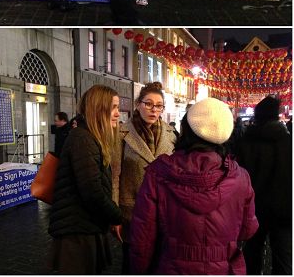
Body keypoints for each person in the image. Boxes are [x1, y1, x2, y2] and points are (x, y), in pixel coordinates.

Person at [129, 97, 259, 275]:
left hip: (171, 267)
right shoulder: (240, 177)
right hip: (223, 268)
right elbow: (248, 229)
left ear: (186, 129)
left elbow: (143, 237)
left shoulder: (158, 173)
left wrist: (139, 269)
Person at [48, 85, 123, 274]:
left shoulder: (90, 137)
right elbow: (92, 192)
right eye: (113, 107)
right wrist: (118, 216)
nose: (117, 114)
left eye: (118, 108)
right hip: (76, 235)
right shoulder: (82, 139)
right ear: (99, 108)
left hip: (87, 228)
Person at [111, 82, 176, 273]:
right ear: (138, 104)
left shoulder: (172, 134)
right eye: (148, 104)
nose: (153, 110)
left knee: (159, 263)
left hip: (163, 211)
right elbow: (115, 175)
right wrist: (115, 215)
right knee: (132, 264)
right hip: (132, 211)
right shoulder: (121, 133)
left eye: (158, 106)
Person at [237, 96, 292, 275]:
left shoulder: (247, 141)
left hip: (254, 209)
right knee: (283, 257)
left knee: (252, 254)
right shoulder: (287, 142)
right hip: (283, 210)